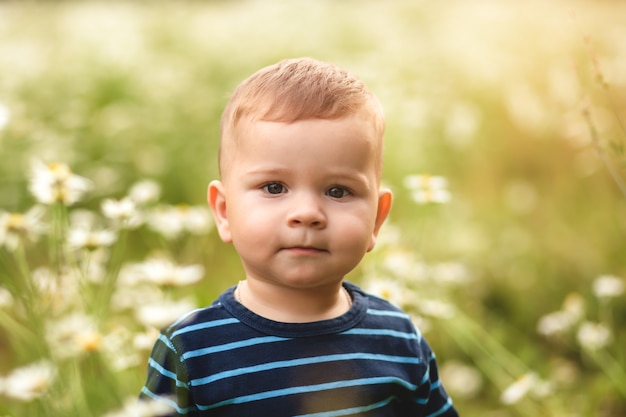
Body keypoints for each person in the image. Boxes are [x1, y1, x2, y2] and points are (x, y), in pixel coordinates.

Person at [140, 57, 459, 417]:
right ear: (224, 211)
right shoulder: (190, 350)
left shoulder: (398, 338)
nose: (307, 213)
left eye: (338, 191)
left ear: (377, 219)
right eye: (274, 187)